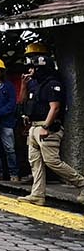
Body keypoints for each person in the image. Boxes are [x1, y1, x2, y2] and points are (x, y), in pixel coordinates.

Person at [19, 57, 84, 205]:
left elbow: (55, 108)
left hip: (47, 128)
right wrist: (24, 85)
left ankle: (82, 183)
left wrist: (46, 126)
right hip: (34, 127)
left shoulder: (52, 85)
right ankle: (37, 194)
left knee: (52, 161)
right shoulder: (36, 85)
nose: (30, 71)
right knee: (35, 163)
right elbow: (22, 102)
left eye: (33, 68)